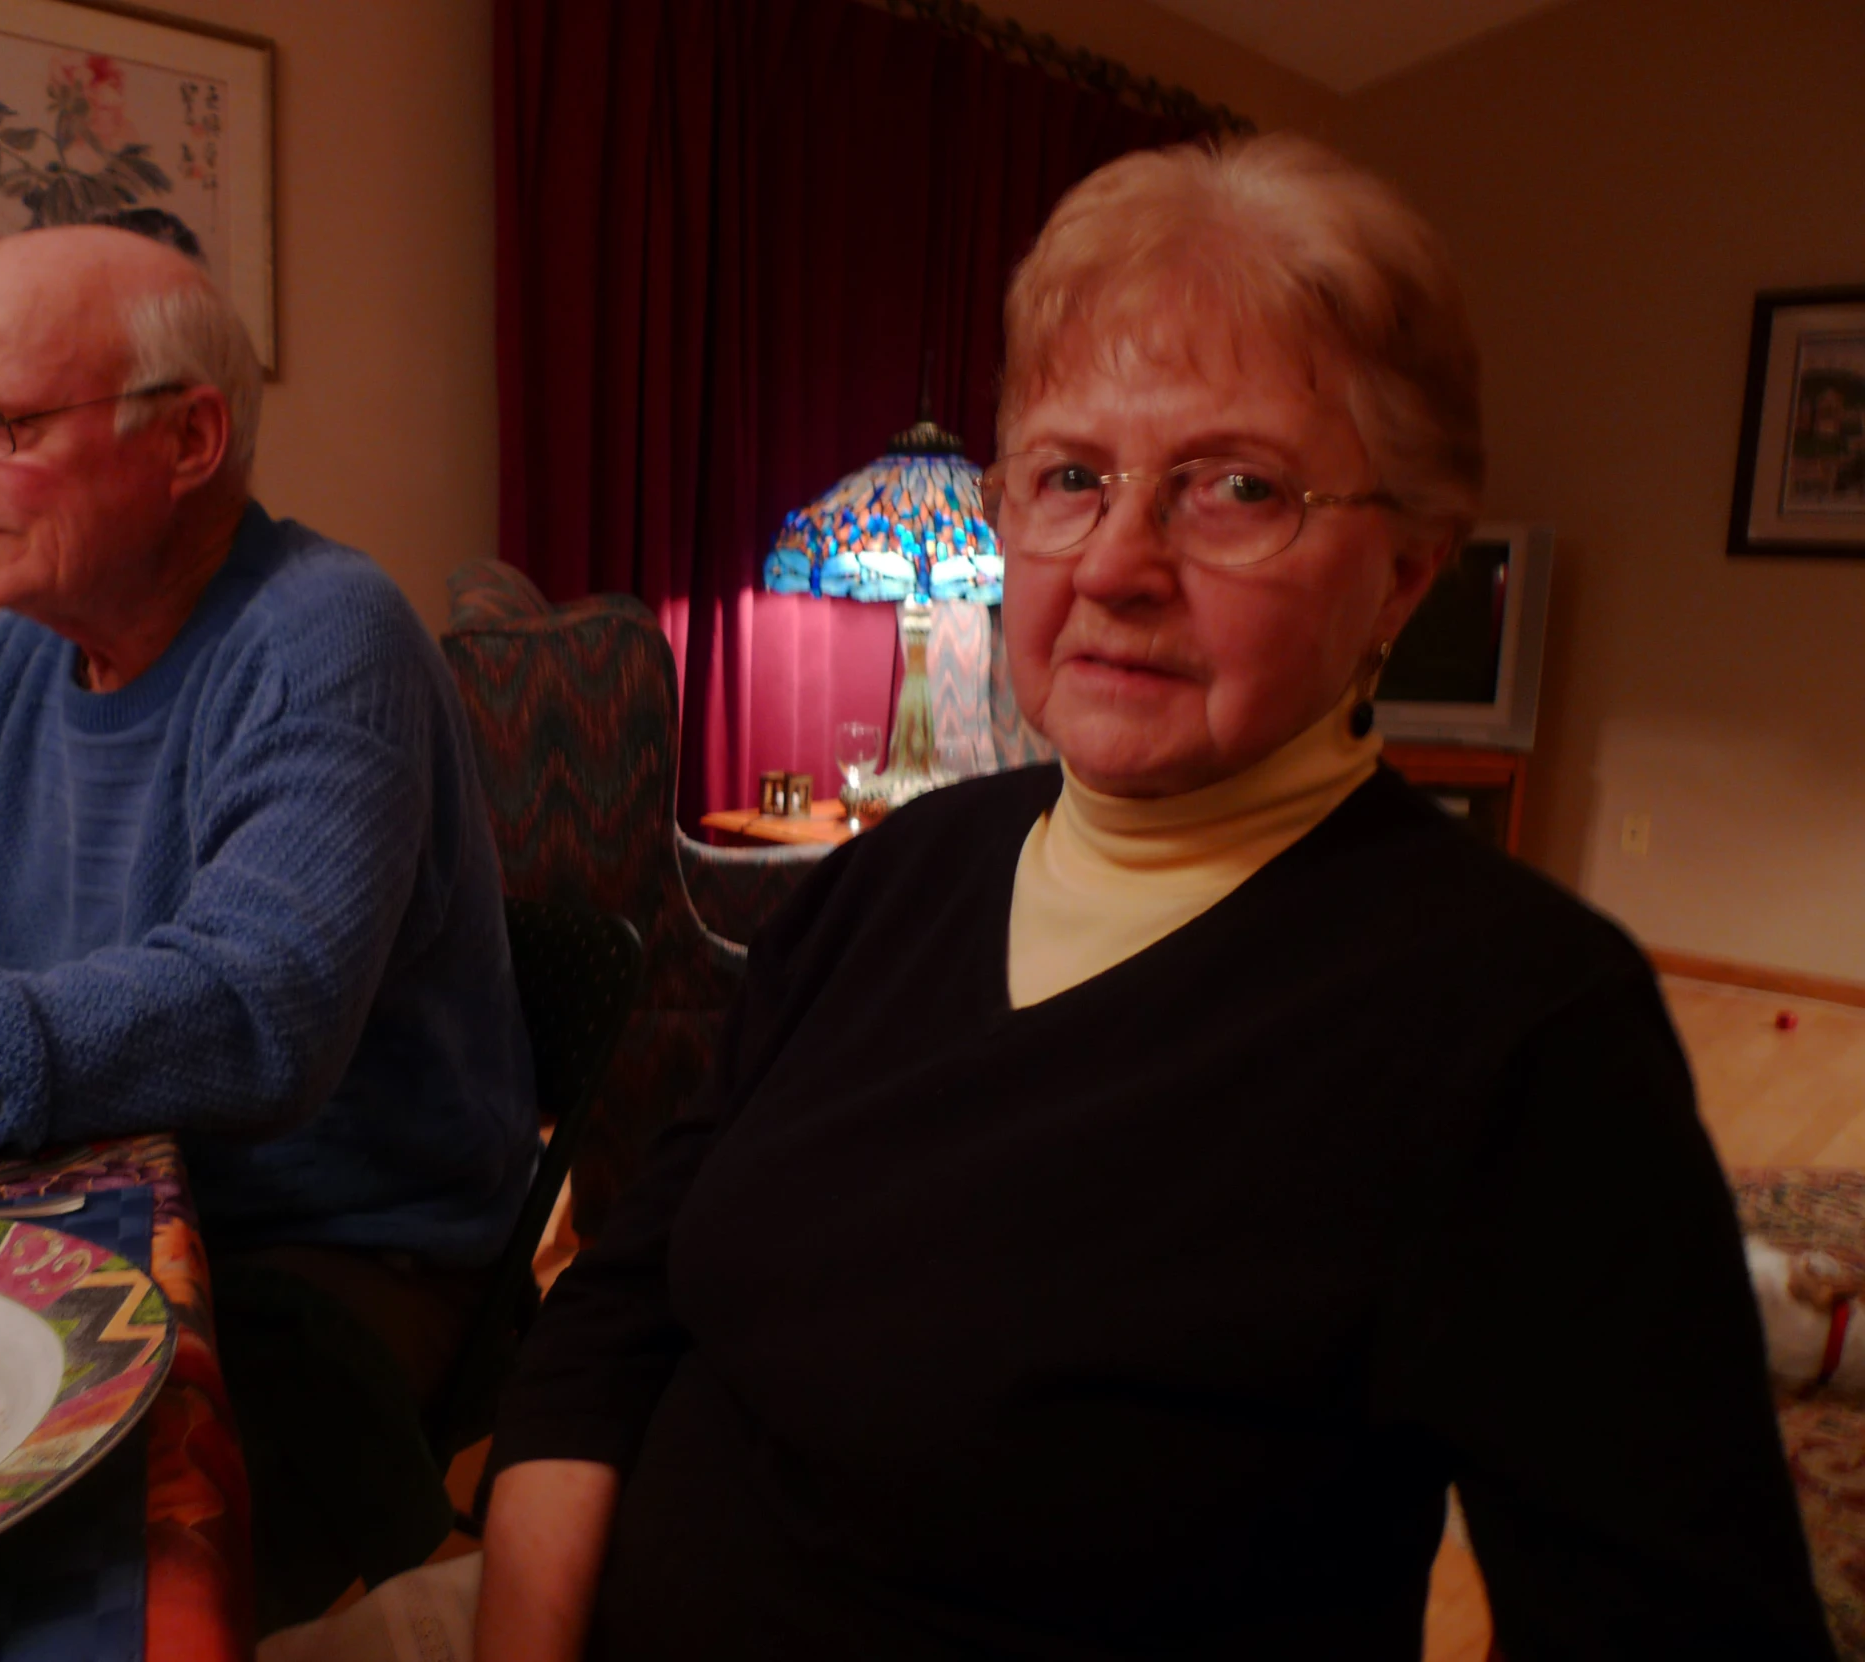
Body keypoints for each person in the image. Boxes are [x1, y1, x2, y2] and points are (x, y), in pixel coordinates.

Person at [461, 137, 1835, 1659]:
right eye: (1069, 477)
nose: (1117, 561)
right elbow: (617, 1306)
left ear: (1404, 575)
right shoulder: (888, 877)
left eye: (1235, 487)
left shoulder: (1520, 1032)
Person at [0, 226, 535, 1626]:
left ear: (189, 436)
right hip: (103, 1180)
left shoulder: (325, 634)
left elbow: (254, 1010)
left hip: (329, 1249)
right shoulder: (30, 648)